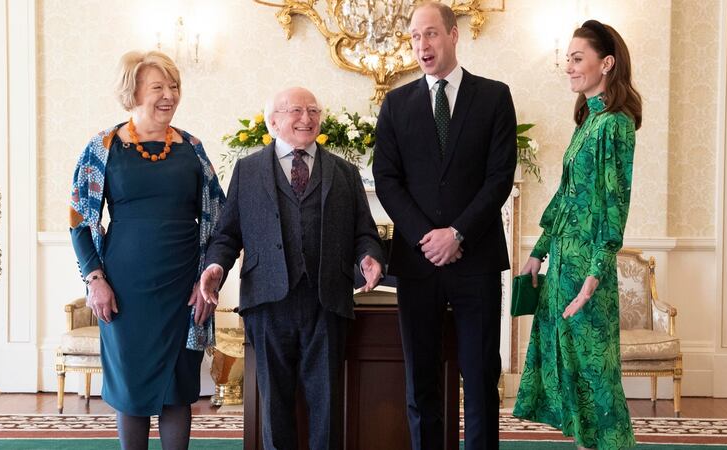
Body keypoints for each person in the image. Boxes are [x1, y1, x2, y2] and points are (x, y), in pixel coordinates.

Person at [198, 87, 385, 450]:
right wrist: (216, 267)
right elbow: (227, 234)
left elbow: (365, 232)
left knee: (328, 407)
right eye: (296, 110)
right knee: (275, 408)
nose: (307, 117)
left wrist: (369, 256)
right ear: (272, 122)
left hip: (327, 302)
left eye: (313, 110)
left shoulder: (345, 172)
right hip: (268, 304)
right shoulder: (248, 170)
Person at [372, 2, 517, 448]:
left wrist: (457, 234)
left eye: (430, 34)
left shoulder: (494, 96)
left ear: (454, 35)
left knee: (479, 381)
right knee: (422, 383)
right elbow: (387, 180)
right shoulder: (396, 105)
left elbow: (499, 178)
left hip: (475, 260)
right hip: (417, 264)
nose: (422, 46)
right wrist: (426, 237)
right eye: (414, 37)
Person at [69, 50, 226, 449]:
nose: (169, 95)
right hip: (124, 292)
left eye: (174, 86)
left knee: (178, 390)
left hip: (183, 290)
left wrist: (207, 279)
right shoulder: (103, 147)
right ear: (133, 91)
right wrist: (95, 279)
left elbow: (220, 219)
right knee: (131, 390)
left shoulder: (192, 147)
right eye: (158, 86)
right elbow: (80, 219)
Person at [512, 20, 642, 450]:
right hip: (564, 266)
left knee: (597, 378)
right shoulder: (587, 120)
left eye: (576, 58)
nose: (568, 67)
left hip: (587, 271)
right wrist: (539, 251)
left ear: (606, 63)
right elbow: (567, 197)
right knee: (571, 373)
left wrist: (595, 273)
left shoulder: (615, 124)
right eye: (566, 59)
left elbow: (613, 205)